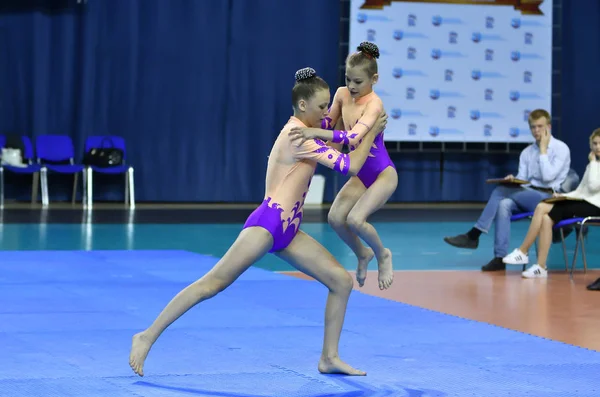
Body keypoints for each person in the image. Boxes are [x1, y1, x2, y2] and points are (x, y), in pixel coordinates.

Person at [128, 67, 387, 377]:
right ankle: (146, 336)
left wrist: (351, 118)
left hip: (288, 230)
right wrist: (371, 128)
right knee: (211, 284)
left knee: (340, 282)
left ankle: (329, 357)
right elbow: (350, 164)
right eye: (321, 107)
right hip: (268, 224)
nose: (325, 113)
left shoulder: (307, 130)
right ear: (303, 106)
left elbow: (336, 137)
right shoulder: (297, 135)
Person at [288, 42, 396, 290]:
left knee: (357, 220)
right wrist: (307, 125)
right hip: (361, 173)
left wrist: (312, 132)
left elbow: (353, 138)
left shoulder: (374, 104)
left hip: (383, 174)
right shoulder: (341, 94)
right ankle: (362, 253)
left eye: (358, 81)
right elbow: (328, 123)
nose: (351, 86)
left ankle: (382, 254)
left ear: (374, 79)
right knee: (336, 218)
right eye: (348, 79)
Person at [443, 109, 571, 271]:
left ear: (549, 127)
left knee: (500, 191)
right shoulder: (527, 152)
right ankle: (499, 257)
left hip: (550, 199)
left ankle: (474, 235)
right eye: (533, 127)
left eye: (540, 126)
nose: (536, 131)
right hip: (530, 195)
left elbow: (548, 177)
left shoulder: (561, 148)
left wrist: (544, 151)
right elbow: (524, 181)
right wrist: (514, 180)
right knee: (503, 204)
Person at [503, 128, 600, 278]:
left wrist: (593, 162)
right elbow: (581, 191)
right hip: (583, 202)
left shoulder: (593, 164)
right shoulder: (592, 165)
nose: (597, 147)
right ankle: (541, 267)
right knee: (547, 218)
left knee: (542, 206)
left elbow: (594, 186)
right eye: (595, 143)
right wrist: (563, 195)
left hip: (595, 207)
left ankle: (523, 251)